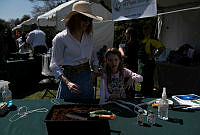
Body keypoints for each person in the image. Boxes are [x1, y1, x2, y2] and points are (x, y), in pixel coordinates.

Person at [50, 1, 103, 100]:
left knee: (87, 109)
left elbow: (94, 58)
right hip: (69, 80)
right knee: (65, 111)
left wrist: (95, 71)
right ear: (74, 19)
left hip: (86, 78)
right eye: (84, 18)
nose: (87, 22)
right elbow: (54, 65)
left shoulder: (89, 37)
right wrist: (68, 83)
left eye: (90, 19)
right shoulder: (60, 38)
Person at [137, 24, 165, 97]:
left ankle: (148, 93)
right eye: (144, 29)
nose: (145, 30)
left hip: (148, 63)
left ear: (150, 30)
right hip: (141, 62)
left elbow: (162, 48)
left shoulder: (153, 39)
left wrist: (155, 55)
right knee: (142, 78)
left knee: (148, 79)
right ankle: (143, 92)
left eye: (147, 29)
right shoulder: (142, 39)